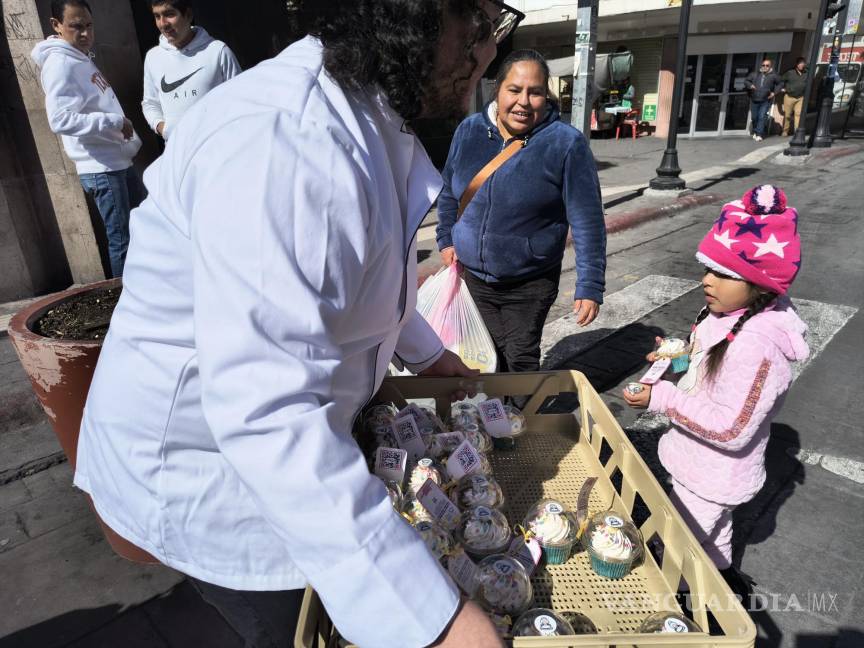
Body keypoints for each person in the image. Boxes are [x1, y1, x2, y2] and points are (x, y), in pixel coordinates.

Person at [76, 1, 516, 647]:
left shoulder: (365, 108)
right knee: (288, 627)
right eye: (480, 21)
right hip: (208, 473)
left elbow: (358, 276)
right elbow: (265, 407)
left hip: (268, 449)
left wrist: (425, 353)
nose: (489, 51)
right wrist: (435, 621)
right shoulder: (291, 139)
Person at [623, 185, 808, 596]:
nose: (707, 280)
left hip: (714, 474)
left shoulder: (757, 347)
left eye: (724, 273)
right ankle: (722, 582)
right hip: (696, 463)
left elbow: (731, 429)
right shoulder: (720, 312)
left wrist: (662, 399)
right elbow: (705, 368)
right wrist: (679, 360)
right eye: (708, 268)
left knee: (673, 544)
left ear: (760, 284)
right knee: (714, 536)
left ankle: (679, 602)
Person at [436, 49, 606, 375]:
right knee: (481, 356)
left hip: (529, 282)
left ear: (547, 95)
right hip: (472, 276)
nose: (523, 102)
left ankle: (515, 423)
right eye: (514, 90)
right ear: (497, 91)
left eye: (535, 92)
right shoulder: (469, 131)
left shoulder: (566, 144)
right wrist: (446, 239)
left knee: (518, 360)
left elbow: (587, 220)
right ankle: (487, 421)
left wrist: (590, 284)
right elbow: (447, 192)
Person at [31, 0, 145, 278]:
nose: (84, 33)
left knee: (142, 230)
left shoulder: (79, 57)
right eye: (75, 27)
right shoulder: (60, 64)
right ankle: (123, 307)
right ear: (56, 26)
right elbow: (60, 120)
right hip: (102, 168)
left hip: (116, 160)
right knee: (123, 241)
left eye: (88, 26)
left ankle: (146, 297)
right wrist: (113, 121)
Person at [142, 0, 241, 141]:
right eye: (157, 16)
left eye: (169, 14)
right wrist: (164, 129)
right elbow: (150, 103)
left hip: (219, 150)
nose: (163, 24)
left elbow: (240, 100)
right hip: (178, 155)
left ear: (188, 15)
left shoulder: (218, 51)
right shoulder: (153, 57)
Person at [745, 59, 782, 141]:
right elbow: (746, 81)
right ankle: (755, 131)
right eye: (763, 65)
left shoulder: (774, 76)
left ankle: (759, 134)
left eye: (767, 65)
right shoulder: (755, 74)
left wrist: (774, 93)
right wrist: (750, 85)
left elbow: (780, 84)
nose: (765, 67)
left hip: (765, 100)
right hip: (754, 99)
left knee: (762, 116)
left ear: (770, 66)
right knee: (754, 117)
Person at [780, 57, 808, 136]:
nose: (802, 65)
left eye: (803, 63)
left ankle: (796, 132)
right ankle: (785, 131)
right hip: (789, 97)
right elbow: (781, 80)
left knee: (798, 114)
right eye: (800, 63)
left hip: (800, 97)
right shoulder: (790, 72)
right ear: (797, 64)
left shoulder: (806, 74)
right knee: (787, 115)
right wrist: (783, 89)